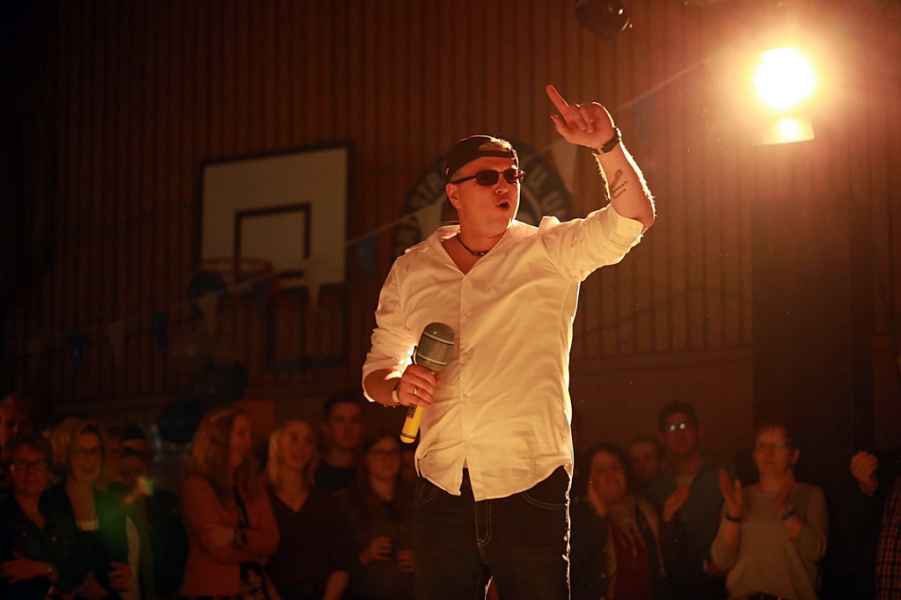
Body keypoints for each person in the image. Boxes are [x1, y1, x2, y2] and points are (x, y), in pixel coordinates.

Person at [362, 83, 655, 599]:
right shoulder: (413, 269)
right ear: (453, 193)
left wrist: (606, 146)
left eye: (512, 175)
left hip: (529, 480)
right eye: (487, 177)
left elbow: (633, 219)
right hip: (441, 484)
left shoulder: (548, 250)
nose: (505, 185)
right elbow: (377, 370)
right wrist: (397, 386)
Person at [711, 422, 828, 600]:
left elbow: (815, 551)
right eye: (762, 446)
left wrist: (786, 511)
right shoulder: (739, 497)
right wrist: (733, 515)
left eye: (778, 445)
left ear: (794, 455)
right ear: (754, 455)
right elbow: (722, 560)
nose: (768, 452)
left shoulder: (810, 495)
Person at [179, 406, 279, 599]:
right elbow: (218, 549)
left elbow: (272, 540)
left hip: (255, 587)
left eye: (249, 434)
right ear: (220, 437)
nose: (248, 442)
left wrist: (234, 536)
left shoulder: (251, 484)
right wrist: (257, 552)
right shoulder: (197, 486)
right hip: (213, 590)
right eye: (241, 434)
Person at [41, 419, 136, 599]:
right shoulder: (49, 502)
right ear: (66, 456)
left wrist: (123, 576)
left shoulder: (111, 503)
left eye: (94, 451)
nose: (89, 460)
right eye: (80, 452)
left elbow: (119, 562)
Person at [645, 402, 725, 600]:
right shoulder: (655, 487)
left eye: (684, 426)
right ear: (662, 437)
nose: (679, 434)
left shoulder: (721, 476)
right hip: (674, 589)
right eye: (672, 428)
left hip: (721, 583)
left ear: (698, 430)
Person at [266, 419, 352, 600]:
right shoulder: (261, 500)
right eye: (294, 438)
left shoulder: (326, 502)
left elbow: (341, 562)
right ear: (277, 444)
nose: (301, 447)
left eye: (308, 441)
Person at [570, 443, 667, 600]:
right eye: (601, 470)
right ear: (589, 480)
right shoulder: (576, 520)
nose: (610, 475)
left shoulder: (645, 513)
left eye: (615, 468)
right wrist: (599, 516)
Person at [108, 424, 188, 599]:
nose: (135, 460)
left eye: (141, 455)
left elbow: (176, 557)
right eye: (127, 453)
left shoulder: (165, 505)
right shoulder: (106, 504)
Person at [341, 433, 416, 600]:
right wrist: (365, 555)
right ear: (366, 459)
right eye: (379, 452)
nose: (387, 459)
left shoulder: (415, 500)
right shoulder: (347, 502)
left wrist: (420, 560)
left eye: (393, 452)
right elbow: (335, 560)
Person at [0, 435, 73, 598]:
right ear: (9, 470)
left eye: (38, 463)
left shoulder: (58, 510)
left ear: (48, 471)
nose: (31, 471)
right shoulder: (3, 517)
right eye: (21, 464)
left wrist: (45, 569)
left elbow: (74, 568)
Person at [315, 391, 365, 494]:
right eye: (339, 420)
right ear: (326, 427)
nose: (348, 429)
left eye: (355, 420)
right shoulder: (311, 475)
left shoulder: (369, 473)